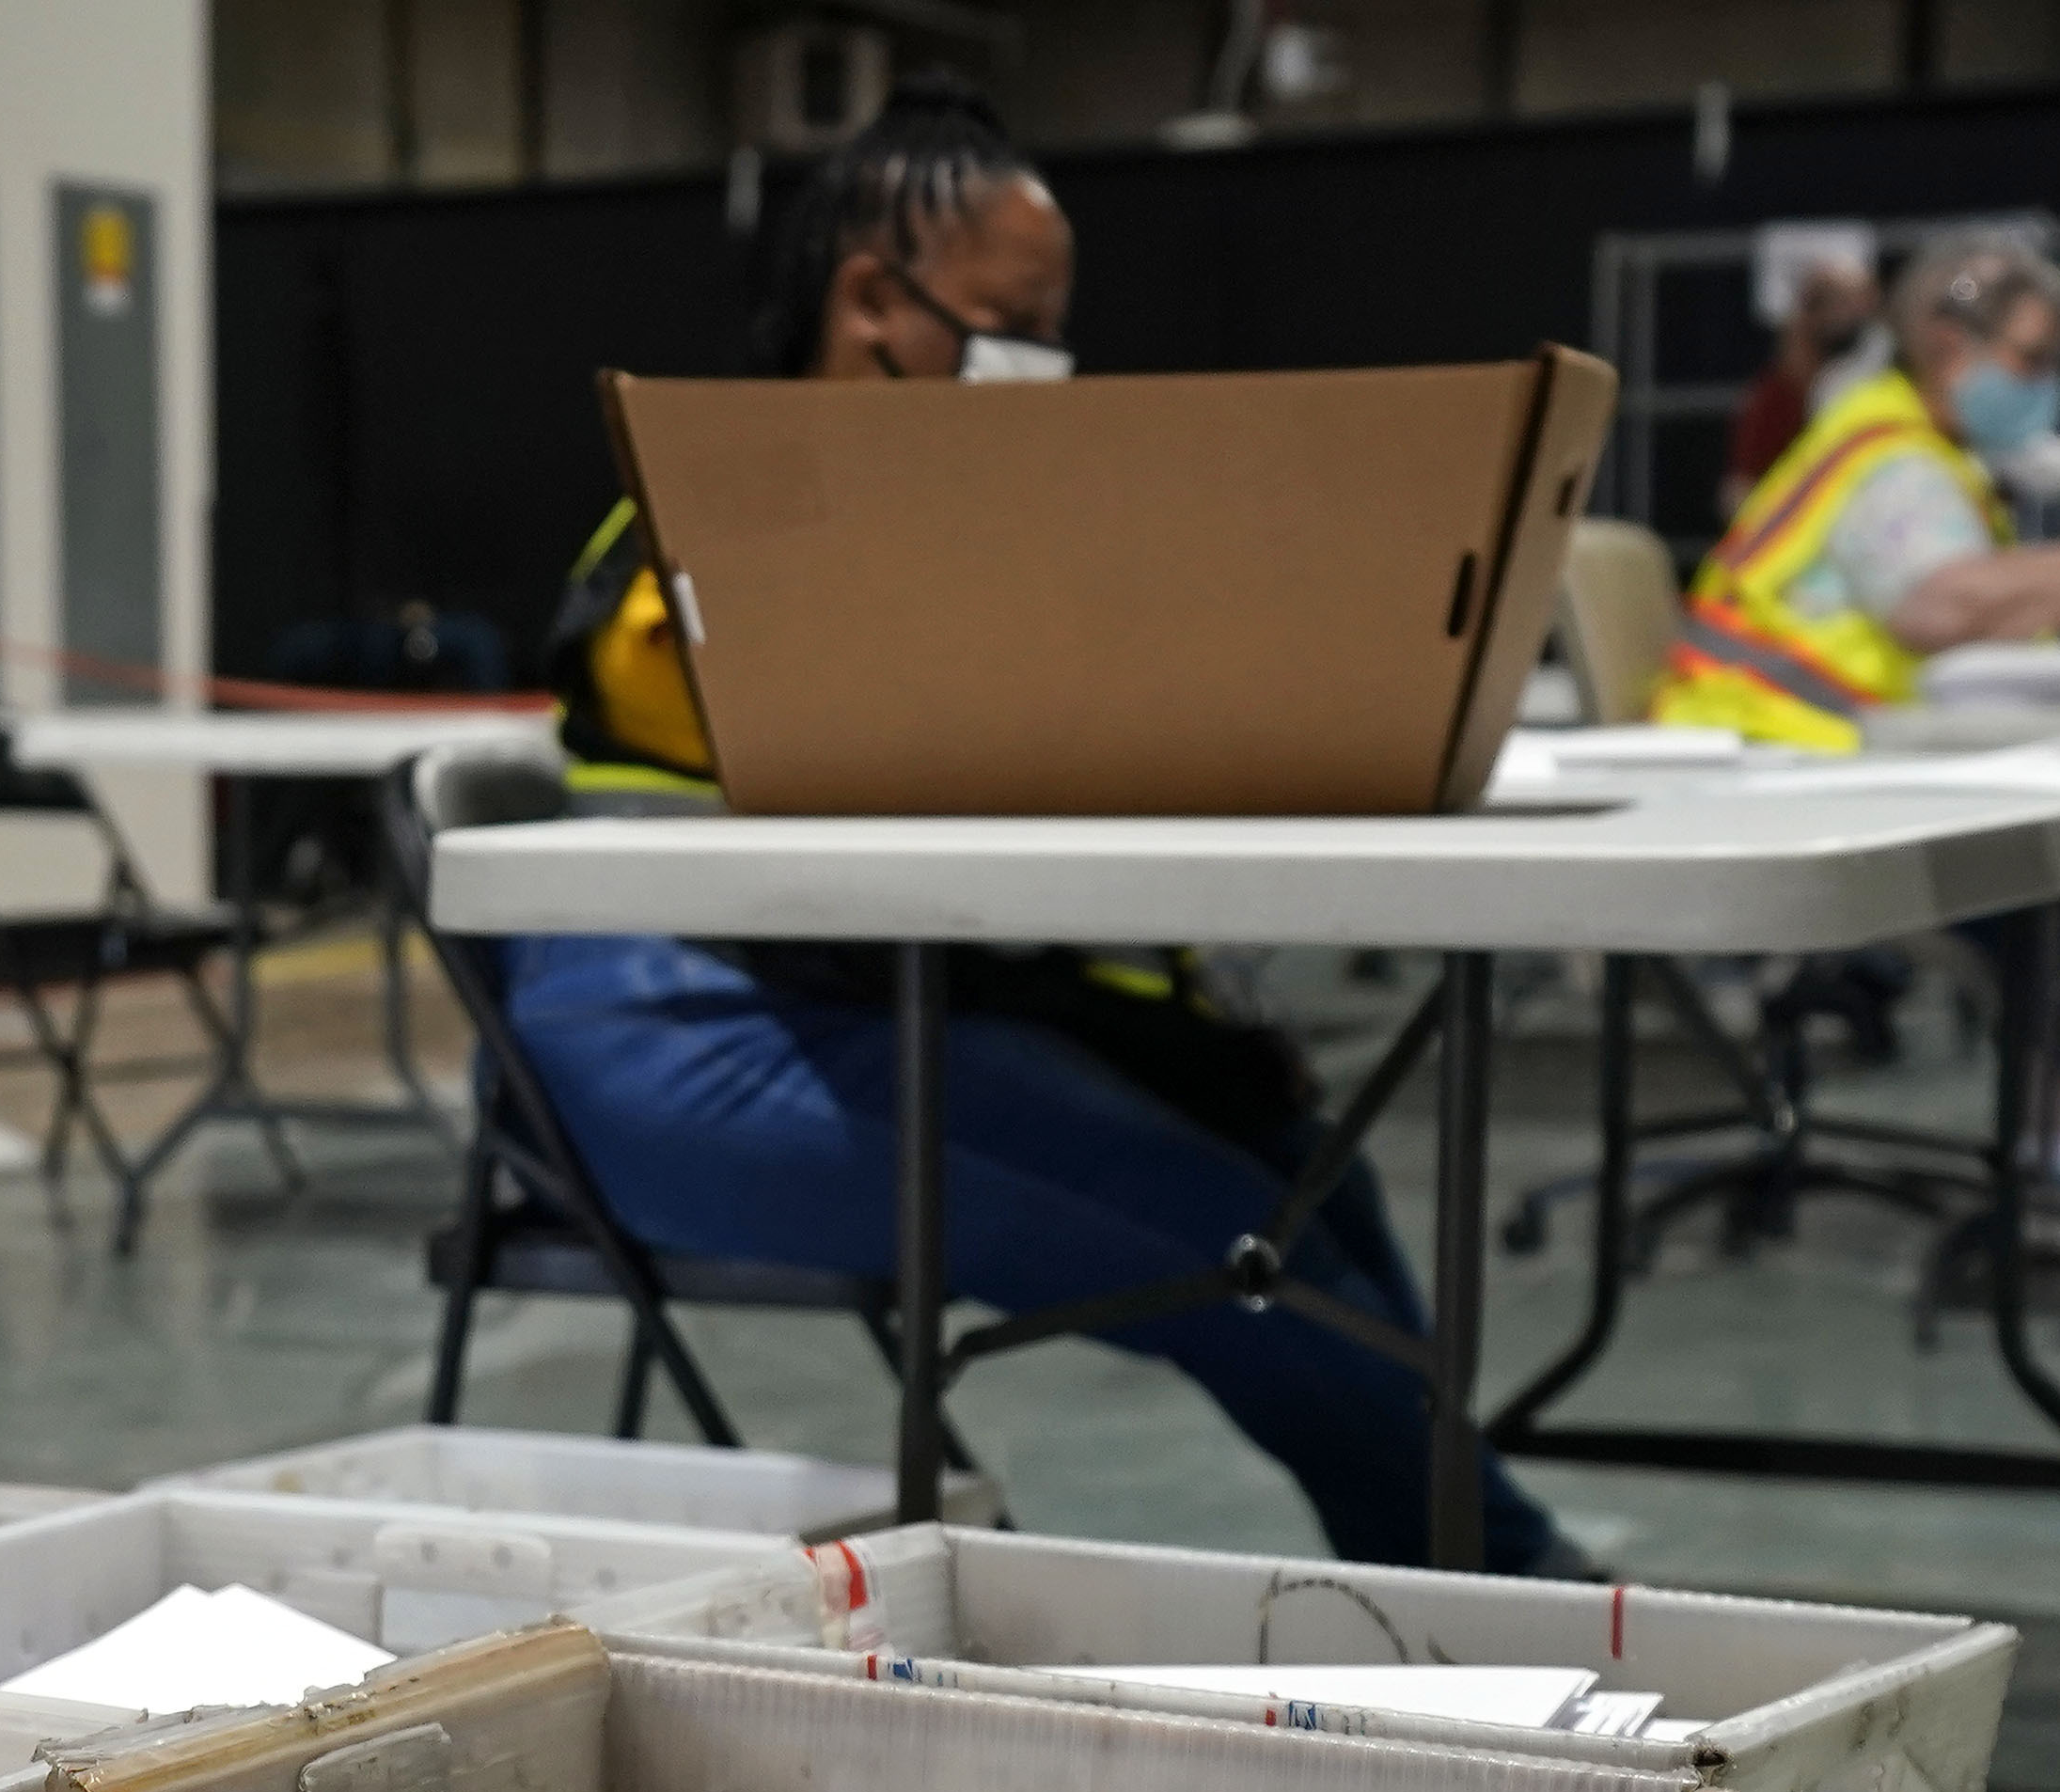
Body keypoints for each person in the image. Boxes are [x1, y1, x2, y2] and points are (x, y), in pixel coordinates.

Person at [512, 81, 1573, 1574]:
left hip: (853, 1002)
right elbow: (948, 743)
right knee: (1241, 1250)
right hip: (676, 1039)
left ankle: (1468, 1572)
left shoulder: (938, 541)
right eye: (1010, 321)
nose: (1042, 366)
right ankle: (1515, 1591)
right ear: (875, 303)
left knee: (1285, 1156)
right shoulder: (708, 546)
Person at [1656, 236, 2060, 752]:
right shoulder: (1892, 455)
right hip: (1761, 736)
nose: (2046, 383)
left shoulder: (1910, 438)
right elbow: (1941, 607)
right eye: (2031, 359)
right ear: (1950, 348)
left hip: (1789, 734)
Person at [1724, 246, 1881, 511]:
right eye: (1824, 301)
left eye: (1852, 301)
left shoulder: (1891, 377)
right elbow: (1738, 491)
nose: (1842, 313)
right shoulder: (1777, 394)